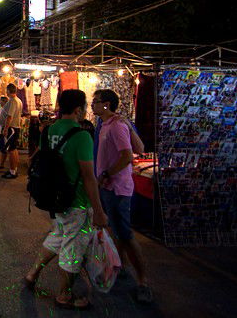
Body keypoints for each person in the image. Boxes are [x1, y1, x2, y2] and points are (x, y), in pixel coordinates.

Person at [24, 89, 108, 311]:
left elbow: (37, 158)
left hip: (53, 198)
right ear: (79, 109)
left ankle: (33, 274)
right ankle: (64, 295)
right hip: (76, 202)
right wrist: (98, 210)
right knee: (72, 249)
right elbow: (89, 177)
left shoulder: (49, 130)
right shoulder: (82, 136)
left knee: (58, 236)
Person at [92, 89, 153, 304]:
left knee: (125, 234)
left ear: (107, 104)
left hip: (117, 188)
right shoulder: (106, 124)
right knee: (117, 231)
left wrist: (107, 173)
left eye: (96, 101)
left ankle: (143, 282)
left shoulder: (116, 125)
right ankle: (119, 267)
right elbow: (138, 147)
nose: (92, 104)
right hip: (109, 187)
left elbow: (129, 155)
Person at [0, 83, 23, 179]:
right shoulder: (18, 100)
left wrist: (5, 129)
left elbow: (10, 116)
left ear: (8, 91)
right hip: (14, 127)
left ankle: (12, 172)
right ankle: (13, 169)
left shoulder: (13, 101)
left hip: (11, 128)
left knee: (11, 150)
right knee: (14, 149)